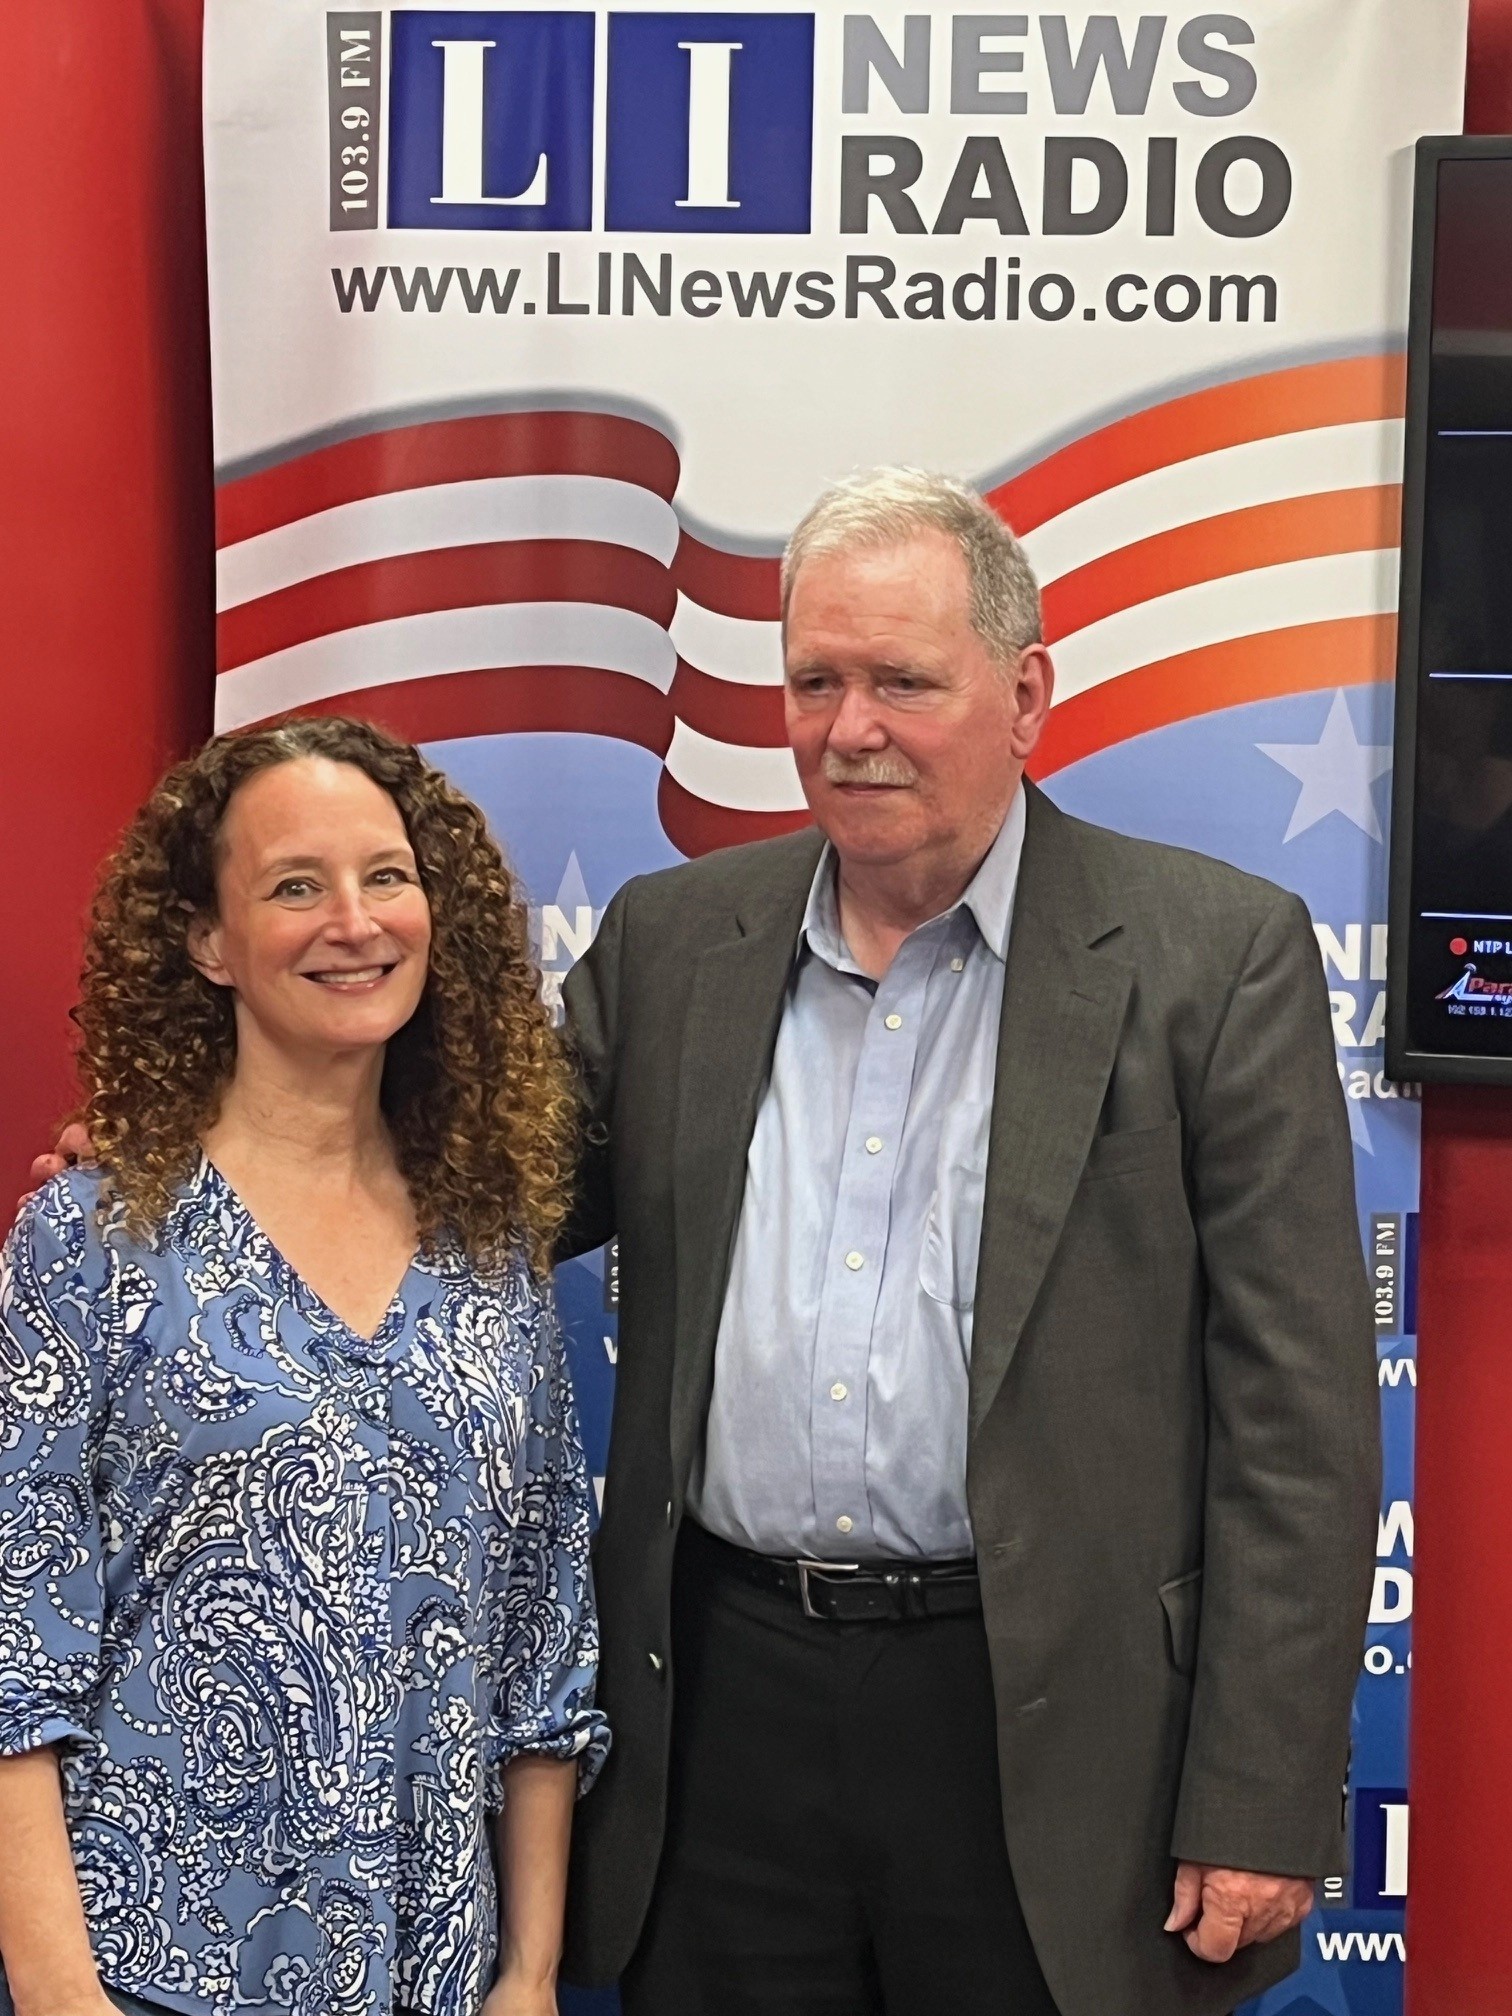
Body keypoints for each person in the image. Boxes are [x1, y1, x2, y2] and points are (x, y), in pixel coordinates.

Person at [556, 470, 1380, 2016]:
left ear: (1025, 696)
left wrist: (1259, 1797)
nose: (849, 728)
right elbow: (475, 1192)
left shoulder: (1213, 957)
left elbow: (1299, 1424)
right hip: (725, 1717)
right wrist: (197, 1162)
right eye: (815, 680)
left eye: (903, 682)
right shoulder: (672, 944)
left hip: (1053, 1732)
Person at [2, 718, 606, 2016]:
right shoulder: (90, 1239)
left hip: (443, 1980)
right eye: (294, 886)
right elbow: (15, 1651)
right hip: (156, 1980)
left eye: (387, 876)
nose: (355, 921)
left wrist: (531, 1972)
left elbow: (543, 1645)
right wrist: (60, 1994)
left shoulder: (489, 1247)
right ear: (207, 942)